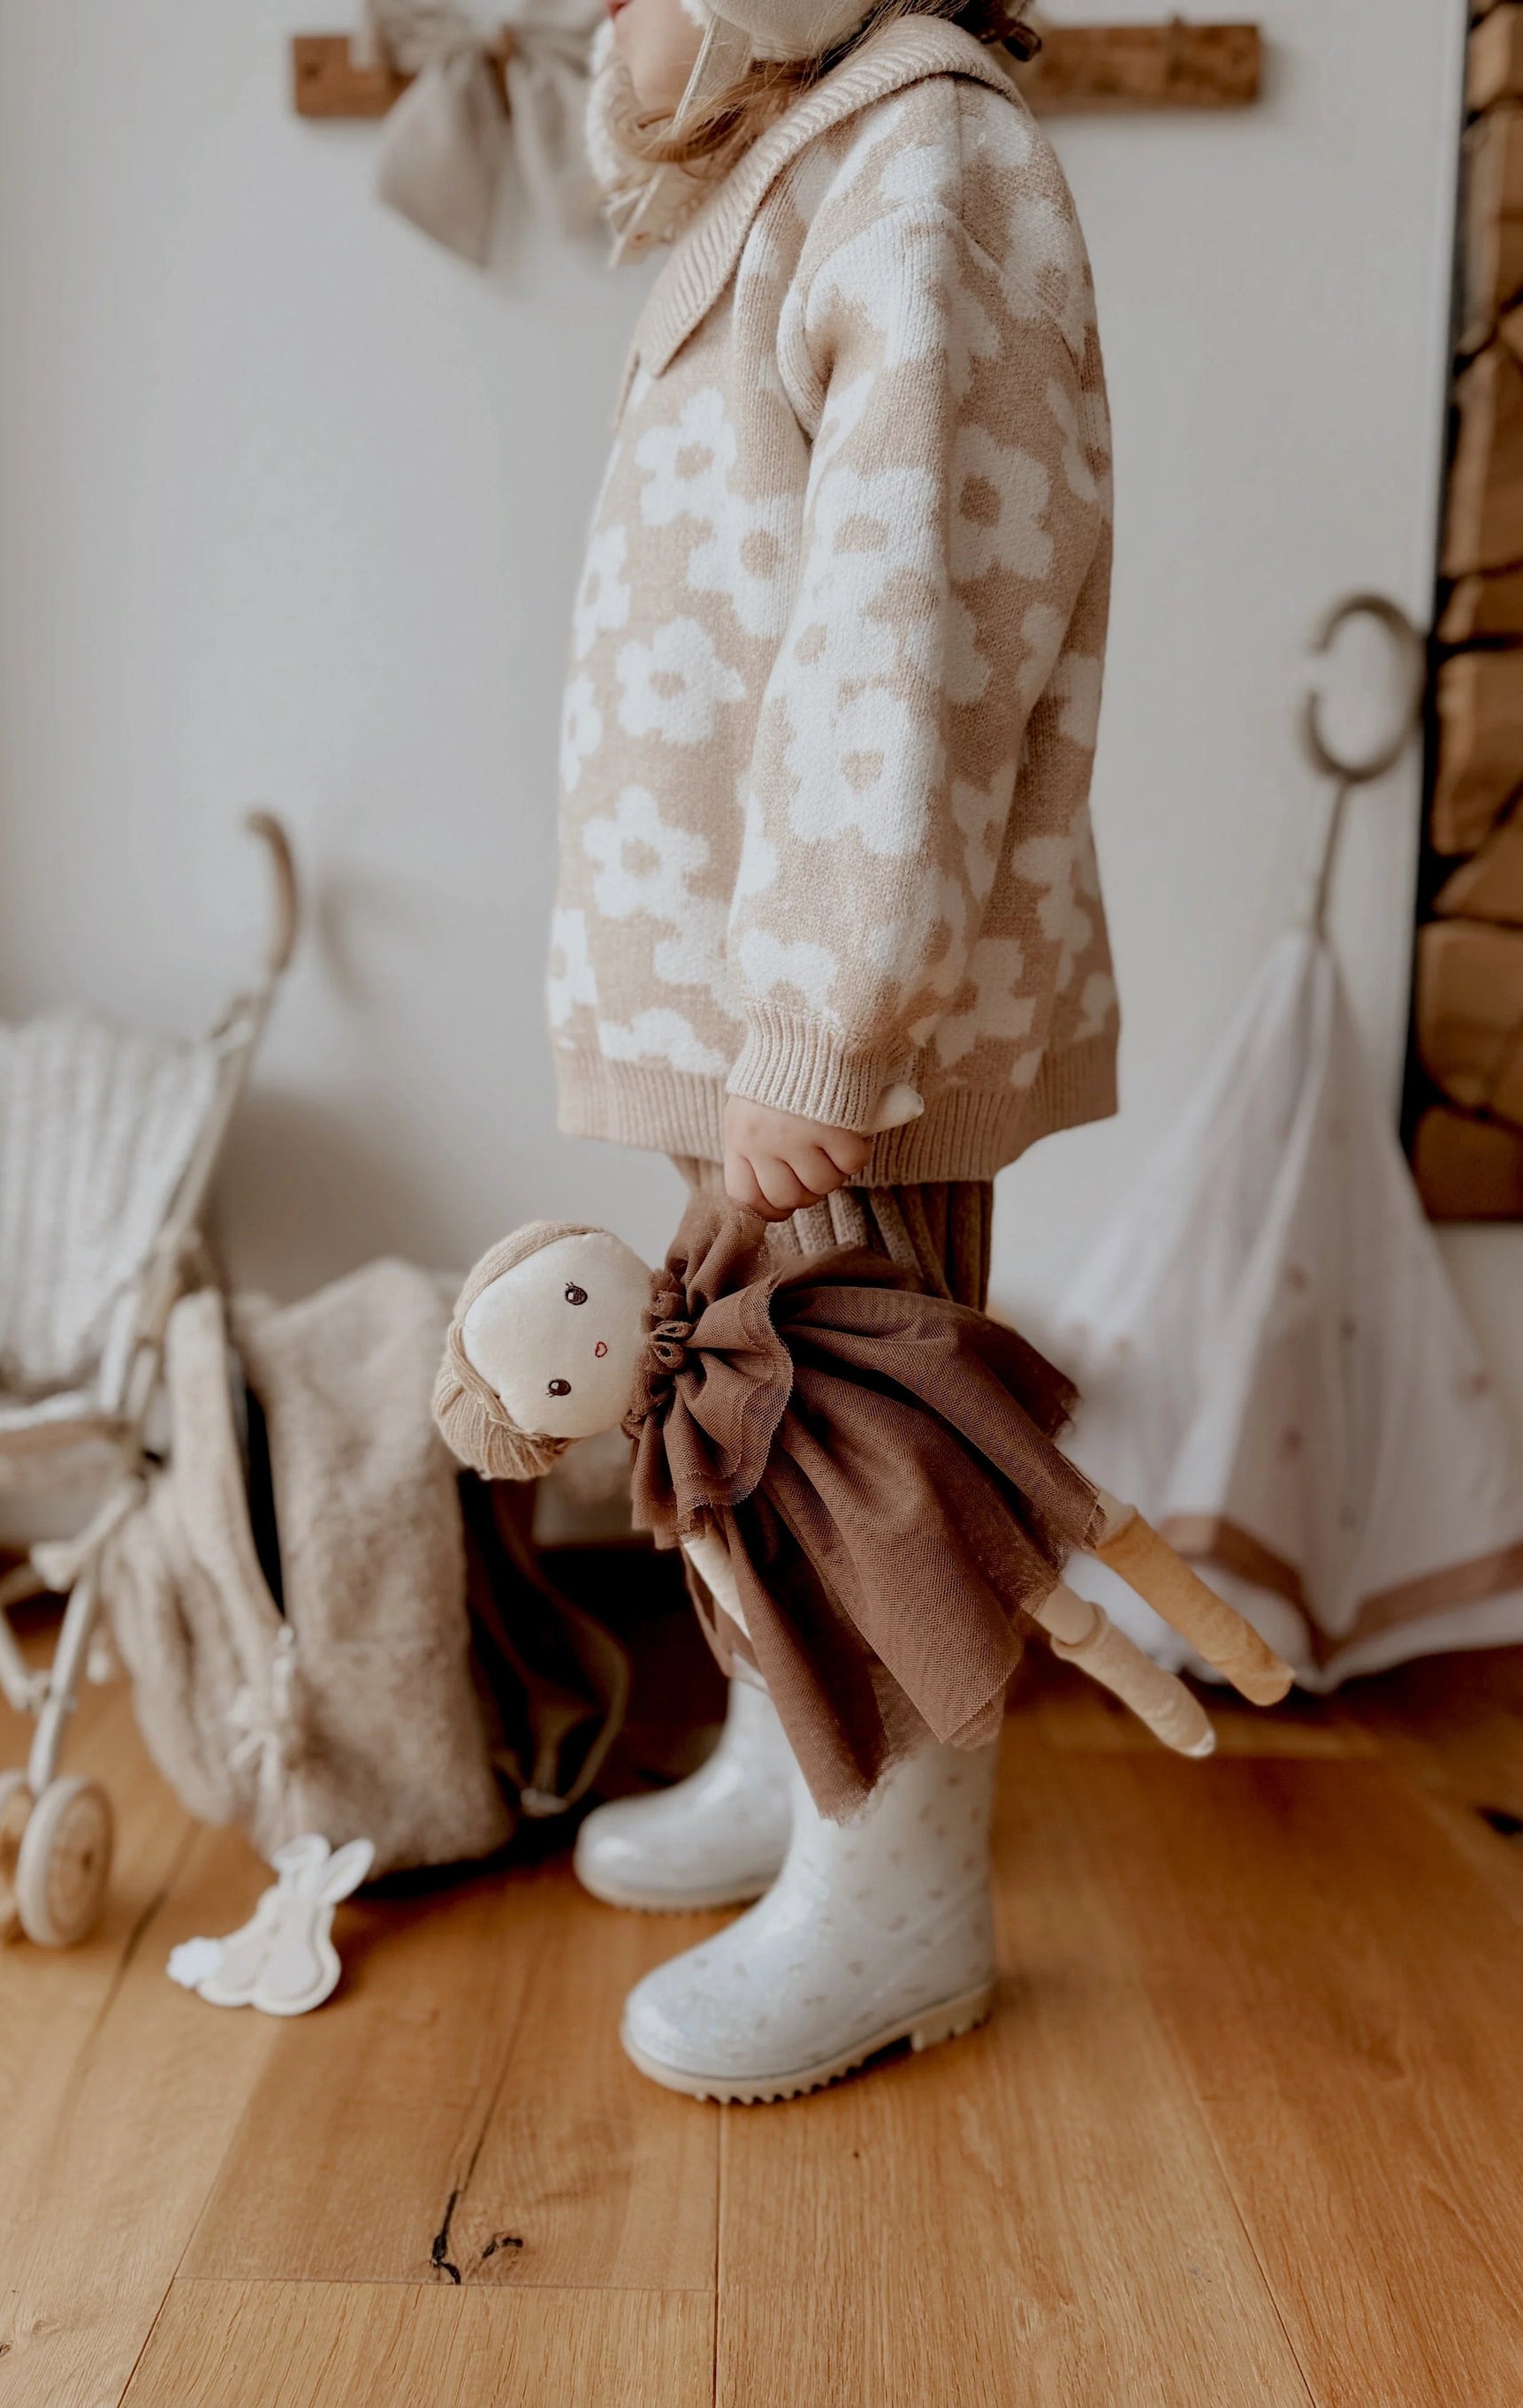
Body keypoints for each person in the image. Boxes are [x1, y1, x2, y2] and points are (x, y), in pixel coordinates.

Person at [550, 0, 1118, 2099]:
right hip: (745, 995)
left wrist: (822, 1014)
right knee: (752, 1410)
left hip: (836, 1011)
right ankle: (791, 1755)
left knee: (871, 1448)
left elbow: (912, 634)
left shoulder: (925, 158)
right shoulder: (785, 166)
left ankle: (896, 1893)